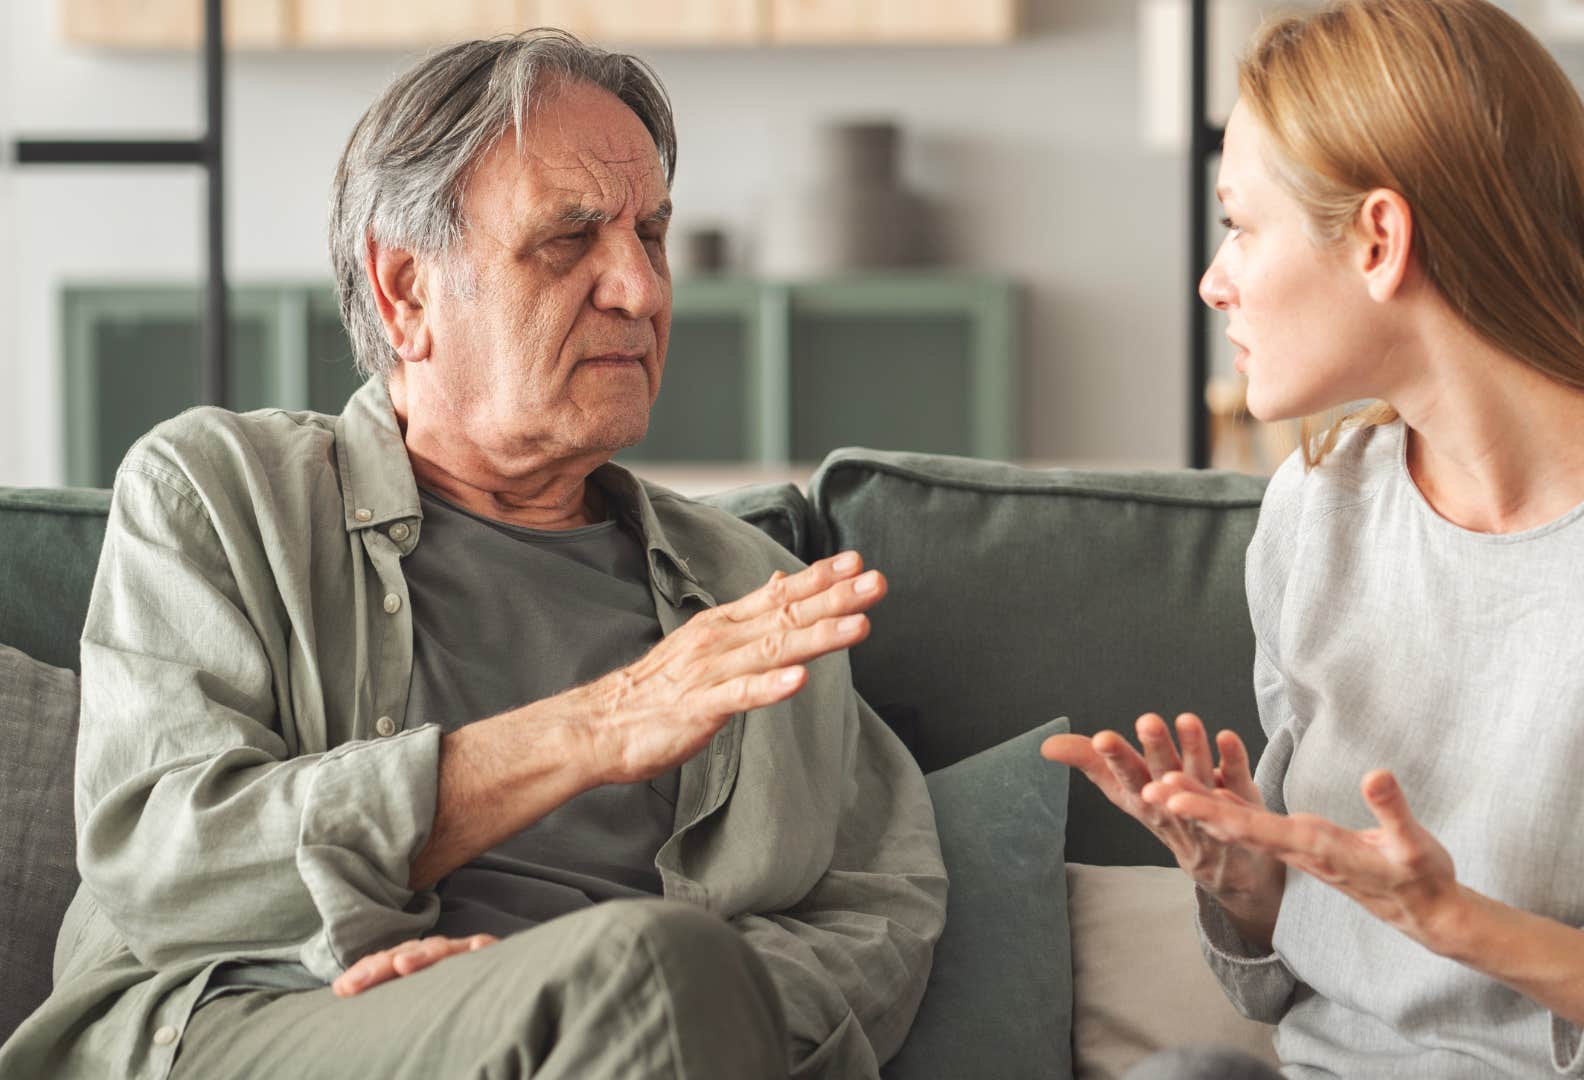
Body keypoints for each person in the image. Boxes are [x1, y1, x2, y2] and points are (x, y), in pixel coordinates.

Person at [0, 30, 944, 1080]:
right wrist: (600, 723)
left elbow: (875, 916)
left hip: (622, 1044)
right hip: (256, 1026)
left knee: (649, 973)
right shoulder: (221, 495)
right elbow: (168, 864)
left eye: (651, 235)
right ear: (406, 291)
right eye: (568, 240)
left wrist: (599, 1002)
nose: (638, 287)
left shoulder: (747, 590)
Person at [1045, 1, 1584, 1076]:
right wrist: (1252, 888)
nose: (1214, 279)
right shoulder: (1317, 513)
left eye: (1240, 224)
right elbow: (1289, 994)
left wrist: (1465, 927)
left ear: (1379, 240)